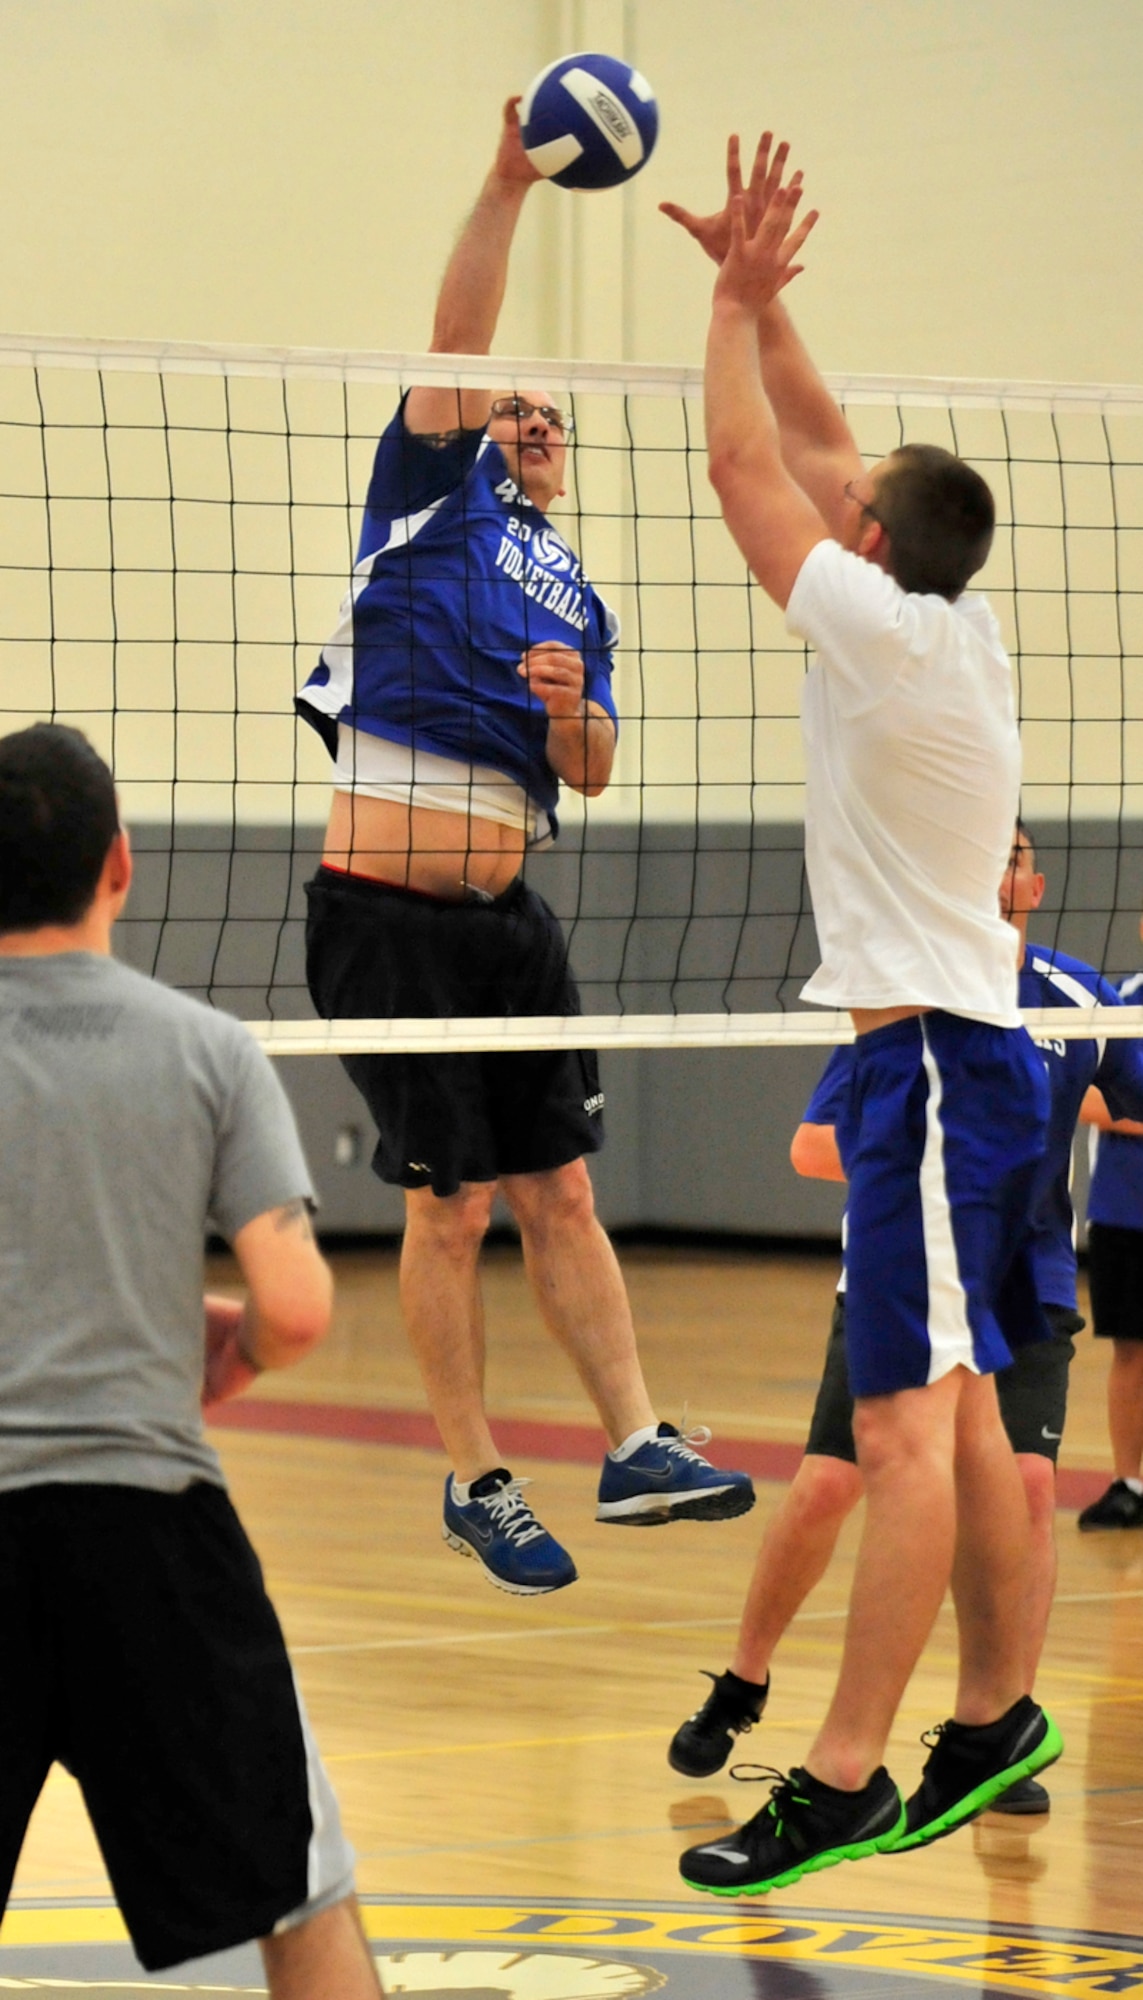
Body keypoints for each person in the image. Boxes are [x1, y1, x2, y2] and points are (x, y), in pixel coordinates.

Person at [664, 133, 1059, 1897]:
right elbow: (826, 450)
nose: (839, 496)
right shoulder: (955, 632)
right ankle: (994, 1723)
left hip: (919, 1063)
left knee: (898, 1433)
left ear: (871, 545)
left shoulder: (881, 636)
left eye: (859, 503)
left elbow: (748, 458)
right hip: (970, 1061)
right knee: (971, 1424)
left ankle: (844, 1774)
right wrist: (771, 297)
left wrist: (729, 313)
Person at [294, 95, 753, 1599]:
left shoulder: (576, 596)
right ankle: (474, 1475)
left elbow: (598, 771)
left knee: (559, 1188)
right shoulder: (423, 498)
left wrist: (569, 717)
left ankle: (633, 1446)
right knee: (453, 1199)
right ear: (476, 431)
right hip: (388, 912)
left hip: (511, 919)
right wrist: (506, 182)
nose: (531, 420)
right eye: (513, 409)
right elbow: (460, 331)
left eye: (551, 415)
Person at [0, 723, 382, 1996]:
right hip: (150, 1534)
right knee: (304, 1891)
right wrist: (229, 1345)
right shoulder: (208, 1049)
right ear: (121, 862)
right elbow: (298, 1304)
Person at [668, 824, 1143, 1817]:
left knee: (1026, 1485)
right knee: (826, 1490)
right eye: (987, 850)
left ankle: (1003, 1719)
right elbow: (809, 1146)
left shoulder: (1076, 995)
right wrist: (943, 1160)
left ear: (1035, 881)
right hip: (906, 1272)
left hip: (1032, 1282)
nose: (1001, 866)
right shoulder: (913, 994)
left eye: (1015, 852)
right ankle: (743, 1677)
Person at [1077, 930, 1143, 1529]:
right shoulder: (1118, 1002)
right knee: (1131, 1350)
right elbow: (1085, 1098)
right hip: (1126, 1209)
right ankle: (1130, 1483)